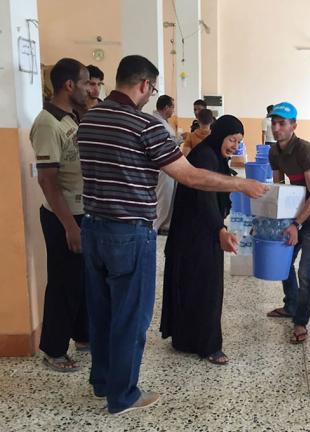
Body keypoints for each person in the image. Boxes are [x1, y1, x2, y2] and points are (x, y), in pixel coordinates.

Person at [78, 55, 267, 415]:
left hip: (93, 227)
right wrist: (241, 184)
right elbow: (189, 176)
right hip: (129, 233)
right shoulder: (144, 125)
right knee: (130, 315)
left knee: (101, 311)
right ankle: (123, 395)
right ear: (145, 85)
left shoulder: (90, 119)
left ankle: (102, 382)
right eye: (152, 90)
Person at [161, 115, 244, 366]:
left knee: (192, 284)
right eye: (231, 139)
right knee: (207, 287)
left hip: (195, 231)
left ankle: (186, 339)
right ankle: (209, 346)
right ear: (220, 134)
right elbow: (205, 197)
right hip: (197, 233)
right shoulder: (206, 156)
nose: (234, 146)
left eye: (238, 142)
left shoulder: (212, 155)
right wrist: (219, 229)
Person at [30, 58, 90, 372]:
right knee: (63, 283)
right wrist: (70, 226)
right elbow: (47, 180)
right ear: (69, 85)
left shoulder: (69, 118)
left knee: (80, 280)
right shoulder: (47, 123)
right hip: (62, 217)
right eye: (85, 83)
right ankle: (53, 350)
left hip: (79, 213)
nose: (89, 89)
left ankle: (82, 335)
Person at [265, 102, 310, 343]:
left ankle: (301, 321)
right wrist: (269, 221)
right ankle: (290, 305)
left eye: (282, 123)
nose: (276, 128)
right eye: (274, 123)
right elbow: (279, 188)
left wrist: (296, 224)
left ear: (294, 125)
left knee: (305, 271)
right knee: (284, 263)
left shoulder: (306, 151)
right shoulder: (274, 153)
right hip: (295, 214)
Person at [152, 95, 184, 233]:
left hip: (170, 163)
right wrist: (180, 139)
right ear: (166, 108)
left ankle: (165, 224)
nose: (173, 111)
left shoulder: (163, 121)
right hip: (163, 166)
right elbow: (166, 143)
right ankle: (156, 225)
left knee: (169, 195)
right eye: (172, 107)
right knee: (163, 197)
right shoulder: (157, 122)